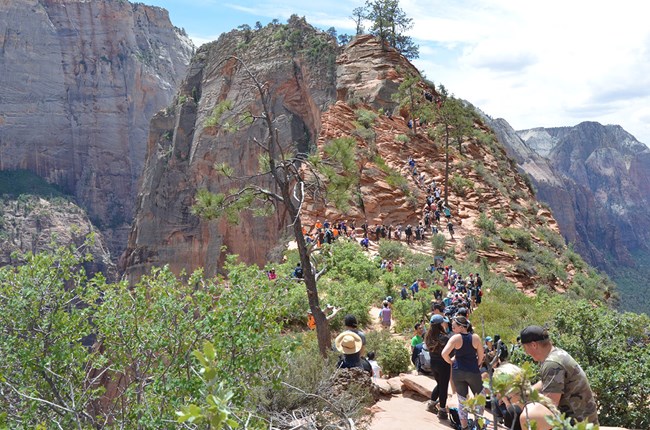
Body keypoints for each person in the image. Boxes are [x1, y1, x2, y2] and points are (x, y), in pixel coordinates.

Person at [518, 326, 598, 428]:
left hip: (576, 424)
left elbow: (550, 405)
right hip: (584, 420)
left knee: (528, 415)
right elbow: (547, 382)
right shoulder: (556, 354)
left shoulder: (552, 364)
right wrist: (526, 391)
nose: (526, 352)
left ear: (534, 345)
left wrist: (518, 401)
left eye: (525, 348)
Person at [441, 315, 485, 430]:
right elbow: (481, 355)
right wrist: (478, 364)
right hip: (472, 371)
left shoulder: (455, 339)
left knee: (462, 401)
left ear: (461, 327)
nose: (453, 329)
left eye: (455, 326)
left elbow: (444, 354)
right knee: (480, 397)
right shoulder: (475, 338)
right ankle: (478, 424)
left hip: (458, 372)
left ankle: (464, 427)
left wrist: (451, 362)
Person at [425, 314, 452, 420]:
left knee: (440, 384)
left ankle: (431, 404)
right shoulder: (444, 338)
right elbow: (450, 351)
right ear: (440, 324)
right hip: (443, 364)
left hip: (433, 363)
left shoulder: (428, 336)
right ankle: (442, 410)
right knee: (444, 386)